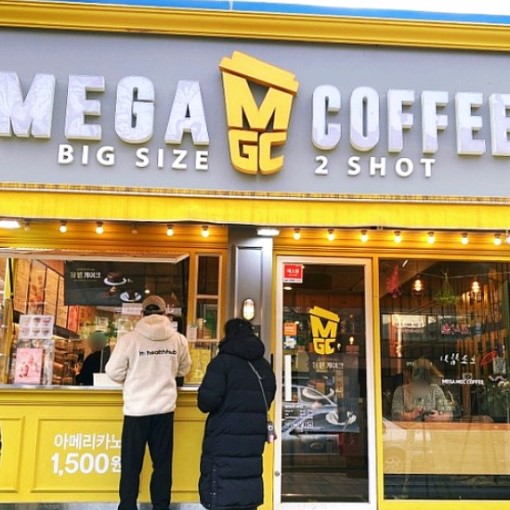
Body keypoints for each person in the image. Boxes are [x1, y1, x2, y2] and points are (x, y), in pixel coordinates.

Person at [105, 295, 191, 510]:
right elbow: (184, 369)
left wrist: (132, 376)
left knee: (131, 465)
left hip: (136, 410)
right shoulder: (178, 339)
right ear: (165, 313)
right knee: (162, 465)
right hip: (164, 410)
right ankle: (161, 506)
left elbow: (113, 372)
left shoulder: (129, 339)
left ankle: (127, 506)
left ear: (142, 314)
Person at [198, 318, 276, 510]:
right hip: (253, 438)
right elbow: (268, 398)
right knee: (247, 477)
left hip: (223, 437)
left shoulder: (221, 363)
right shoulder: (264, 366)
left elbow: (206, 402)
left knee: (222, 483)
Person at [391, 357, 453, 422]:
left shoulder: (435, 390)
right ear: (410, 379)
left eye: (424, 383)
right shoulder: (400, 391)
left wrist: (438, 417)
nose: (421, 386)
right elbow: (395, 415)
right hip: (408, 427)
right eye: (418, 382)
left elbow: (449, 415)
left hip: (431, 427)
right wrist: (410, 415)